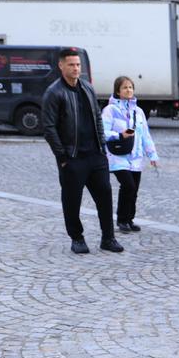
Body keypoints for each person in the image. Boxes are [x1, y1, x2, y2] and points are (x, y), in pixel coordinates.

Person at [42, 48, 124, 255]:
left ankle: (108, 238)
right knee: (72, 201)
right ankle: (77, 238)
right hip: (72, 157)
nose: (76, 68)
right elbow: (49, 128)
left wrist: (102, 148)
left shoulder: (88, 88)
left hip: (95, 156)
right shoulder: (54, 92)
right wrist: (62, 157)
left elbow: (97, 117)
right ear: (61, 66)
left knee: (105, 197)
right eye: (71, 64)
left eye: (78, 64)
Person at [102, 76, 159, 233]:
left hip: (135, 156)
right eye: (125, 88)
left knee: (134, 190)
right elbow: (102, 132)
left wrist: (152, 155)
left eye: (130, 87)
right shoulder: (110, 110)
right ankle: (121, 220)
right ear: (117, 91)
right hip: (117, 155)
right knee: (128, 185)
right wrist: (119, 134)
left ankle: (129, 219)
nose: (128, 90)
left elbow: (145, 135)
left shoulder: (138, 111)